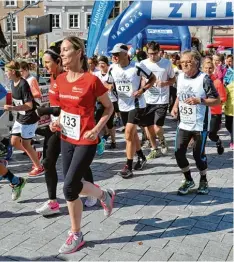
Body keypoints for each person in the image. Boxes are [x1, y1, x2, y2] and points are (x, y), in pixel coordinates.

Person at [50, 36, 115, 254]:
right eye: (61, 50)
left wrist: (97, 129)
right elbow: (62, 109)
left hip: (87, 139)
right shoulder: (59, 79)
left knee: (69, 186)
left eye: (66, 49)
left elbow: (109, 108)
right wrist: (56, 122)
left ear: (79, 52)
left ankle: (76, 234)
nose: (62, 54)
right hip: (66, 137)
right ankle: (103, 194)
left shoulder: (91, 80)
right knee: (74, 186)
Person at [171, 50, 220, 195]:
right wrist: (175, 107)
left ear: (196, 62)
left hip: (200, 124)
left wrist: (200, 100)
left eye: (188, 61)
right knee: (178, 153)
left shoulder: (204, 79)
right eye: (182, 61)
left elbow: (217, 100)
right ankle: (188, 179)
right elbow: (180, 95)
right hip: (184, 123)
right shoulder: (179, 76)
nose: (184, 64)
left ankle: (203, 179)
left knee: (197, 155)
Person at [107, 43, 156, 178]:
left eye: (117, 54)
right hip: (122, 105)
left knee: (128, 133)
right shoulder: (112, 68)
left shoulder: (137, 66)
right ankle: (141, 156)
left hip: (137, 104)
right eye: (113, 54)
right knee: (133, 134)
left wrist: (142, 90)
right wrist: (110, 88)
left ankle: (128, 166)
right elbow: (109, 82)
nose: (114, 57)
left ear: (125, 54)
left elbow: (153, 78)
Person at [4, 61, 44, 177]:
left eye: (7, 71)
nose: (6, 74)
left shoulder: (23, 84)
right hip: (20, 116)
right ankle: (35, 155)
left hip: (30, 117)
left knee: (26, 144)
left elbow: (29, 105)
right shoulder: (13, 83)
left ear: (12, 71)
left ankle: (39, 167)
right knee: (14, 141)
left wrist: (13, 108)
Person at [141, 41, 176, 160]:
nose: (152, 56)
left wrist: (164, 83)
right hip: (147, 99)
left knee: (157, 127)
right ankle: (154, 148)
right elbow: (139, 79)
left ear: (159, 52)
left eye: (155, 53)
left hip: (162, 99)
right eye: (150, 53)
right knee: (148, 127)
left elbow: (173, 80)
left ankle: (162, 140)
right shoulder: (143, 63)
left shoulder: (166, 63)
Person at [202, 60, 227, 154]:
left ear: (213, 69)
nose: (208, 70)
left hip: (214, 113)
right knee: (202, 134)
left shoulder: (217, 82)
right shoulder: (200, 81)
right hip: (203, 112)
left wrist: (212, 102)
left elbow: (223, 98)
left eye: (210, 68)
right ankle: (201, 153)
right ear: (202, 68)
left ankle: (218, 142)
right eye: (206, 68)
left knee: (212, 135)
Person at [94, 56, 117, 149]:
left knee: (110, 123)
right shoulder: (96, 74)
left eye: (103, 63)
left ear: (107, 64)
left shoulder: (111, 73)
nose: (101, 65)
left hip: (111, 100)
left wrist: (104, 85)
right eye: (99, 64)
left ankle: (113, 141)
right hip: (100, 100)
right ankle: (105, 134)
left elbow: (111, 87)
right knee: (98, 119)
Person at [224, 81, 234, 150]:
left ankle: (232, 142)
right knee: (227, 125)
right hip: (229, 110)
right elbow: (224, 97)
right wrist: (223, 106)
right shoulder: (229, 86)